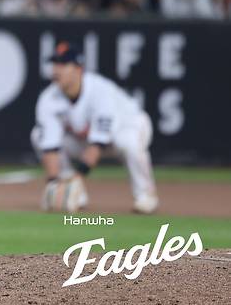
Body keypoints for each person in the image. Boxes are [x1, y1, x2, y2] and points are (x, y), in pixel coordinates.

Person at [31, 41, 159, 214]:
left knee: (128, 142)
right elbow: (50, 146)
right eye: (54, 64)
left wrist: (78, 177)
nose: (56, 70)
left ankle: (146, 195)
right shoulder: (49, 98)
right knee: (38, 135)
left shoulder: (99, 90)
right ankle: (73, 195)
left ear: (78, 69)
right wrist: (53, 182)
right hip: (87, 139)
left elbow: (98, 144)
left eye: (62, 64)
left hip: (129, 126)